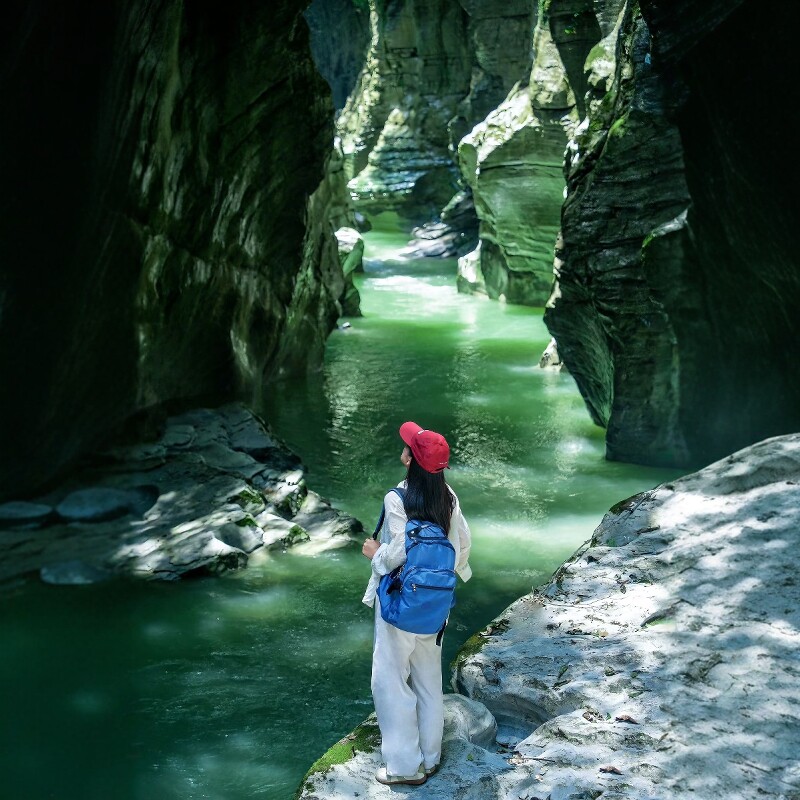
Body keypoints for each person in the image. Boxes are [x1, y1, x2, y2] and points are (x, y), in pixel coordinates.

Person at [361, 421, 472, 786]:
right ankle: (431, 757)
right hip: (436, 604)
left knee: (390, 681)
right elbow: (461, 547)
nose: (402, 449)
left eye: (406, 446)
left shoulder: (397, 498)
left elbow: (399, 552)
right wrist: (441, 580)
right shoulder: (449, 497)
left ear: (411, 460)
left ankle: (405, 767)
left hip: (399, 602)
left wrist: (375, 554)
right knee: (427, 678)